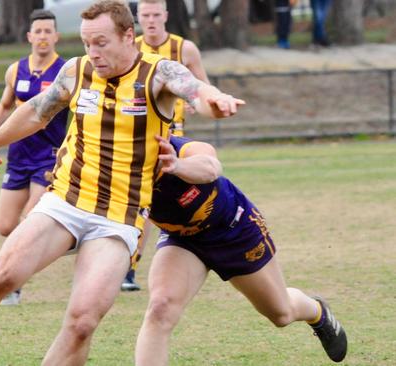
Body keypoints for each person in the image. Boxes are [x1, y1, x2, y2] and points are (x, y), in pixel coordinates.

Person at [0, 1, 244, 365]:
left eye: (101, 43)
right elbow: (36, 111)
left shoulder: (158, 74)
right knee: (0, 277)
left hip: (118, 219)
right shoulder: (76, 71)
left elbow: (195, 90)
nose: (92, 53)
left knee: (82, 322)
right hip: (65, 201)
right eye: (86, 44)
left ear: (129, 36)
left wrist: (215, 100)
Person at [134, 135, 348, 364]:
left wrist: (178, 166)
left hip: (233, 228)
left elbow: (210, 167)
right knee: (160, 309)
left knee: (281, 313)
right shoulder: (117, 166)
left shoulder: (179, 147)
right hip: (183, 239)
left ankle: (316, 311)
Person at [0, 9, 68, 306]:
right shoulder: (16, 70)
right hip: (19, 156)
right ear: (29, 36)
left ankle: (11, 282)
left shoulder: (66, 71)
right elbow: (4, 105)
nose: (42, 37)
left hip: (49, 157)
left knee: (30, 217)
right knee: (6, 225)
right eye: (37, 32)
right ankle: (48, 248)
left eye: (47, 32)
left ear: (56, 36)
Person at [122, 0, 211, 292]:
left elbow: (202, 85)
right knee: (142, 202)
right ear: (137, 17)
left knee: (177, 198)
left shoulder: (184, 49)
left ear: (166, 16)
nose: (150, 20)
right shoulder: (129, 47)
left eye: (155, 15)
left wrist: (201, 101)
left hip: (174, 136)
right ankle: (129, 268)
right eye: (145, 15)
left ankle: (197, 250)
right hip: (138, 134)